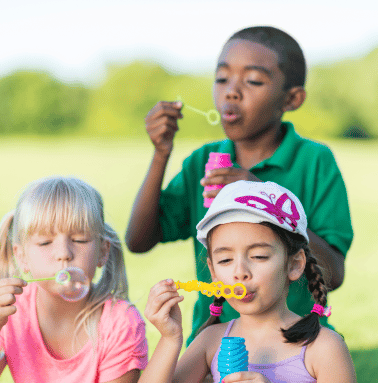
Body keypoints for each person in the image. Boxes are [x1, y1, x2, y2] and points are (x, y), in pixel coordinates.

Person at [126, 26, 353, 350]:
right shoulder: (203, 162)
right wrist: (161, 153)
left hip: (297, 346)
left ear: (292, 98)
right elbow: (138, 240)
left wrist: (265, 199)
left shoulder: (315, 162)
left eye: (253, 81)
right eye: (222, 79)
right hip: (214, 346)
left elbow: (334, 274)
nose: (231, 91)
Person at [134, 180, 359, 383]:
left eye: (258, 256)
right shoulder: (211, 340)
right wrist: (170, 339)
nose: (240, 272)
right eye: (225, 260)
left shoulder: (324, 347)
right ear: (212, 272)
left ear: (294, 264)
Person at [0, 176, 148, 383]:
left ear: (103, 251)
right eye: (45, 243)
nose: (64, 253)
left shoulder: (120, 323)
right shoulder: (13, 312)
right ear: (21, 257)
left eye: (80, 240)